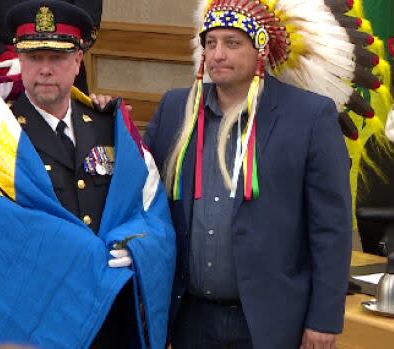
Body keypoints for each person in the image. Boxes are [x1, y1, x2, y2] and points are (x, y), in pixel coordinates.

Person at [0, 1, 175, 348]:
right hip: (34, 324)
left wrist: (135, 246)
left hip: (107, 321)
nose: (45, 69)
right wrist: (86, 254)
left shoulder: (112, 128)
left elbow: (151, 211)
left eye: (57, 58)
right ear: (19, 61)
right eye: (34, 57)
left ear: (78, 61)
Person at [143, 0, 355, 348]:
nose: (217, 54)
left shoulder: (309, 116)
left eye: (232, 42)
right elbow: (137, 181)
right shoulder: (175, 109)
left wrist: (324, 318)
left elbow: (331, 227)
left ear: (261, 49)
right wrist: (104, 117)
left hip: (272, 322)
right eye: (210, 43)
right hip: (189, 319)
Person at [0, 0, 102, 112]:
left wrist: (57, 58)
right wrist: (15, 62)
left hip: (62, 75)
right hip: (6, 74)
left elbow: (89, 23)